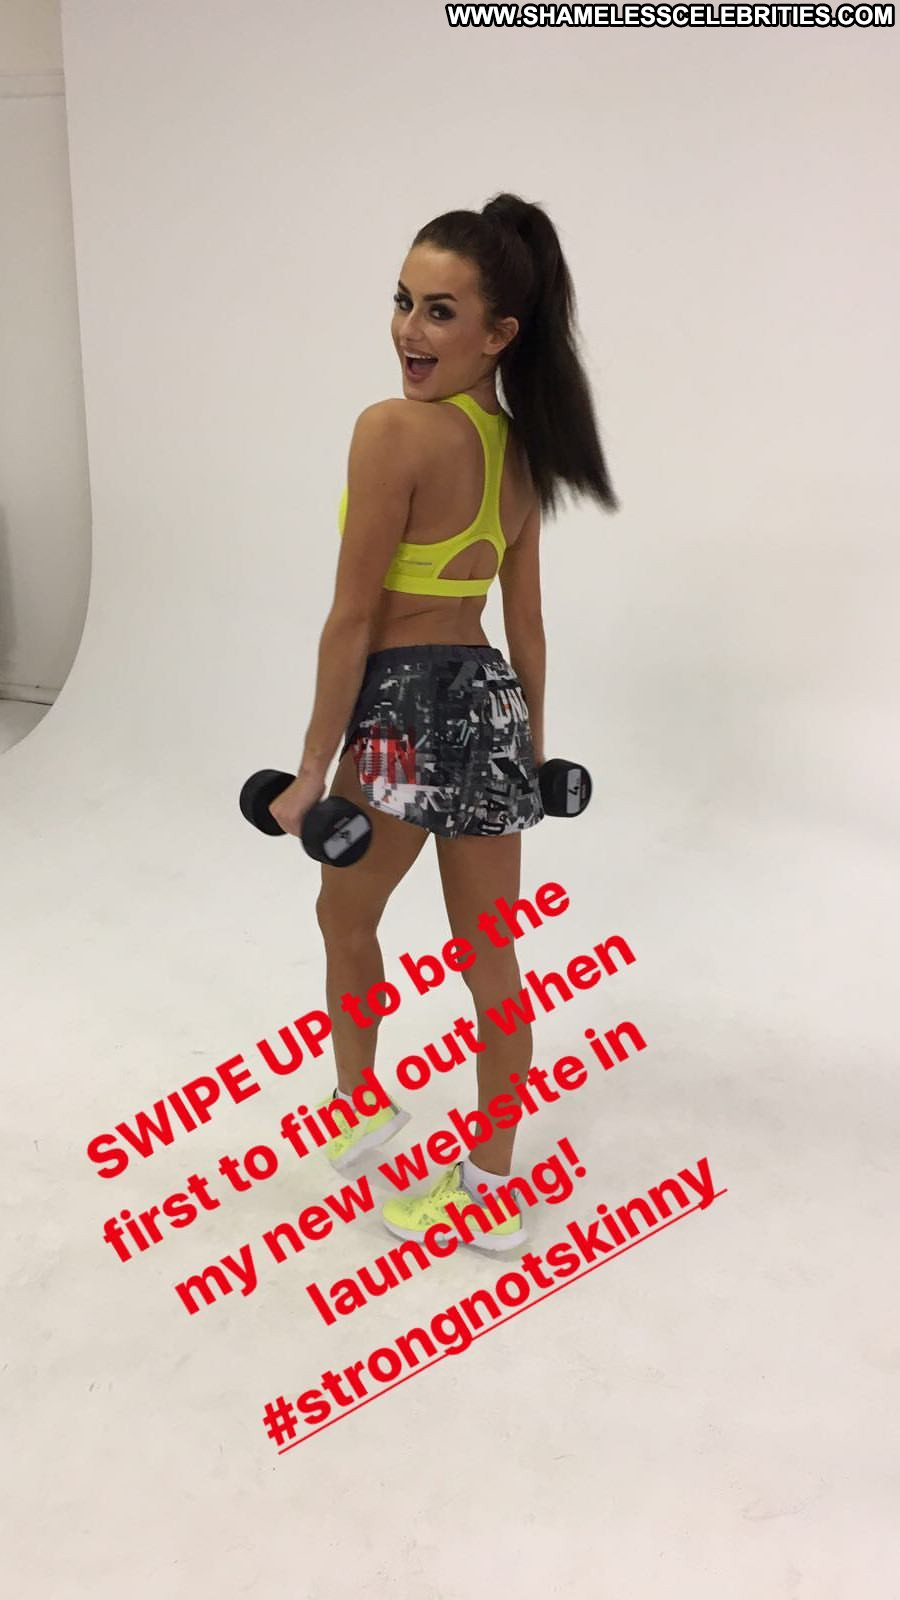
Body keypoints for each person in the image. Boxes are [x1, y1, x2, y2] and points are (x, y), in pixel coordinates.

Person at [268, 192, 619, 1253]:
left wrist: (308, 773)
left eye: (439, 312)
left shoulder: (392, 431)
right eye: (403, 302)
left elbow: (352, 617)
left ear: (499, 333)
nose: (409, 331)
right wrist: (536, 753)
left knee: (343, 916)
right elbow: (528, 629)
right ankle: (493, 1187)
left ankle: (359, 1105)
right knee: (490, 958)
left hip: (402, 711)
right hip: (492, 706)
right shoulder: (522, 450)